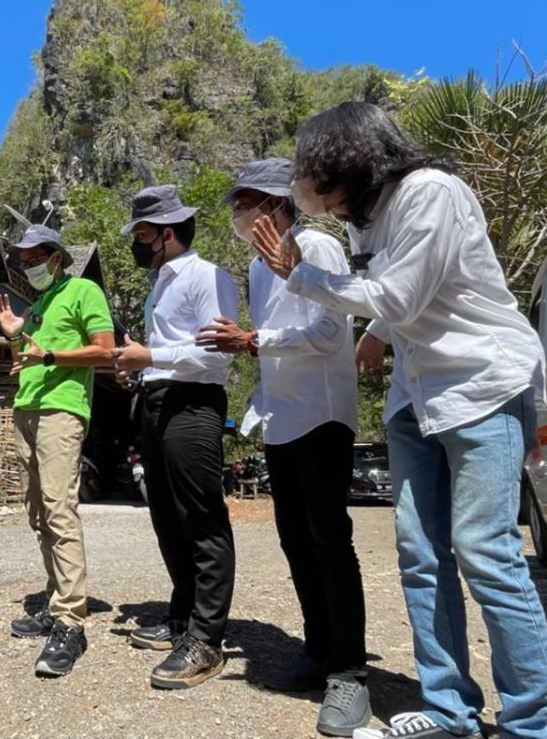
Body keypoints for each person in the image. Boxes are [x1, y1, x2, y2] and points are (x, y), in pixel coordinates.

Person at [253, 102, 547, 739]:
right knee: (421, 556)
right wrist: (374, 330)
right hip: (414, 398)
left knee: (486, 553)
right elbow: (395, 299)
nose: (329, 206)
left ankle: (536, 721)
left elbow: (399, 294)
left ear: (357, 163)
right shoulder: (365, 219)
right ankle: (451, 710)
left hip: (480, 384)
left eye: (328, 187)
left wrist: (304, 276)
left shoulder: (432, 193)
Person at [197, 159, 369, 736]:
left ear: (278, 204)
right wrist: (258, 394)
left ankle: (349, 673)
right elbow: (270, 345)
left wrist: (253, 340)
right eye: (237, 204)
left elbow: (328, 334)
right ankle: (318, 651)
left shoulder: (317, 248)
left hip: (322, 413)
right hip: (281, 419)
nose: (240, 214)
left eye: (249, 201)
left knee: (329, 541)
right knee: (295, 541)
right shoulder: (256, 267)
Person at [112, 185, 239, 690]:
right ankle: (182, 618)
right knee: (166, 517)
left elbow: (218, 354)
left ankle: (208, 638)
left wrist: (153, 359)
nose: (138, 243)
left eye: (143, 234)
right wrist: (140, 369)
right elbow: (165, 349)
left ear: (167, 233)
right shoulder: (160, 283)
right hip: (157, 401)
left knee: (201, 517)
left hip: (193, 405)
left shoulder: (206, 276)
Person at [0, 224, 115, 678]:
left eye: (35, 256)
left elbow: (105, 350)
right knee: (37, 513)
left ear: (58, 257)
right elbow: (30, 355)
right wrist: (13, 335)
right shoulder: (38, 305)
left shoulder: (84, 290)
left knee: (60, 511)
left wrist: (50, 358)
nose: (28, 265)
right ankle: (55, 598)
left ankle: (70, 622)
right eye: (22, 260)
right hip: (26, 408)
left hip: (61, 411)